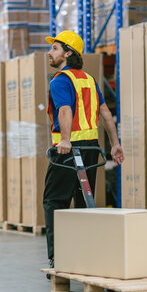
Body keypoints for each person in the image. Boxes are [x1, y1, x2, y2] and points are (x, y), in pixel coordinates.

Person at [43, 31, 124, 273]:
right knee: (82, 201)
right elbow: (106, 114)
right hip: (90, 149)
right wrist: (115, 145)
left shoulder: (59, 80)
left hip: (68, 151)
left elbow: (65, 111)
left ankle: (58, 257)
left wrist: (65, 141)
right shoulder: (89, 80)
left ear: (69, 53)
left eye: (55, 49)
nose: (50, 52)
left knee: (54, 200)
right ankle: (85, 254)